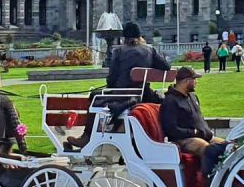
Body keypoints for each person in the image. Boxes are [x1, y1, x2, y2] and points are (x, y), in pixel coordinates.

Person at [65, 22, 169, 151]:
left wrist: (111, 87)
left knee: (94, 95)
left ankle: (87, 136)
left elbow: (112, 76)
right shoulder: (149, 50)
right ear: (139, 36)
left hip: (122, 94)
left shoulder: (119, 51)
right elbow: (166, 67)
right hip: (142, 94)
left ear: (124, 37)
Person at [160, 66, 226, 177]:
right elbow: (171, 129)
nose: (196, 82)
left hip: (203, 135)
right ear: (186, 81)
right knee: (207, 149)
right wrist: (193, 132)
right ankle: (210, 180)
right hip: (184, 139)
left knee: (227, 146)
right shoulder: (170, 101)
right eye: (194, 79)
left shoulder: (193, 97)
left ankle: (227, 177)